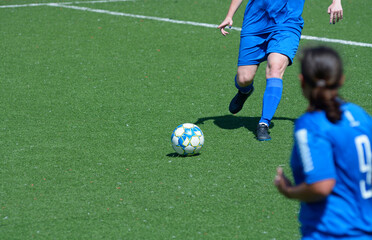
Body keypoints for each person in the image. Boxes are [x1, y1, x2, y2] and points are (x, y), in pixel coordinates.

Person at [274, 46, 372, 239]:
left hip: (332, 231)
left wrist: (289, 191)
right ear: (341, 79)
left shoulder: (310, 125)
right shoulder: (360, 115)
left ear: (302, 81)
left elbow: (321, 185)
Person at [218, 0, 343, 141]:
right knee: (244, 78)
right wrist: (229, 15)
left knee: (275, 68)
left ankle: (264, 123)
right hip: (255, 21)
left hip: (287, 23)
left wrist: (336, 2)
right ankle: (245, 90)